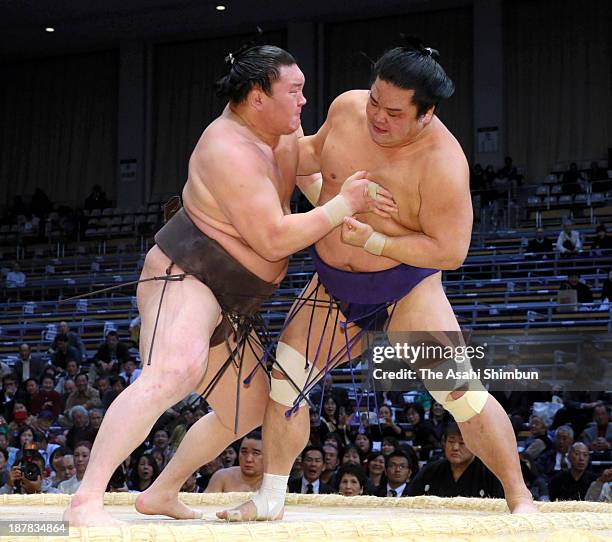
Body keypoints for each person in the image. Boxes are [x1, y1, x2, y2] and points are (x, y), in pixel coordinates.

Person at [64, 44, 389, 526]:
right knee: (175, 370)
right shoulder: (226, 148)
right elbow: (275, 238)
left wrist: (349, 212)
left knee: (249, 410)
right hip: (188, 274)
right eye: (294, 91)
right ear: (258, 96)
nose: (303, 100)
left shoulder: (282, 128)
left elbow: (308, 167)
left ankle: (161, 491)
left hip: (234, 297)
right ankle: (86, 499)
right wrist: (342, 206)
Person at [220, 41, 536, 520]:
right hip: (331, 284)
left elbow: (451, 252)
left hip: (404, 286)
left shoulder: (443, 163)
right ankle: (271, 497)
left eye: (392, 111)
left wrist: (376, 242)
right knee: (286, 379)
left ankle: (519, 496)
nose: (376, 117)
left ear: (425, 114)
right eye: (373, 100)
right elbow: (309, 158)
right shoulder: (348, 110)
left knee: (461, 394)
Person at [407, 423, 503, 499]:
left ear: (475, 445)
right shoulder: (430, 471)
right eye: (451, 441)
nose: (455, 447)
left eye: (462, 443)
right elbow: (408, 500)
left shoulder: (490, 474)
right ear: (444, 443)